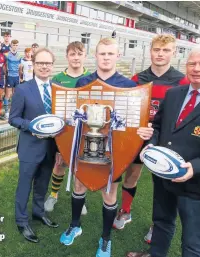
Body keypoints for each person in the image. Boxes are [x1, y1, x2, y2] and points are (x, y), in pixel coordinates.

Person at [126, 44, 200, 257]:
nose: (196, 68)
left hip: (198, 183)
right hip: (164, 176)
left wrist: (195, 168)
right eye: (192, 63)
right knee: (162, 222)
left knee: (193, 241)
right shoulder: (174, 94)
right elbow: (158, 126)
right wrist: (151, 145)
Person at [59, 38, 153, 257]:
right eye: (102, 54)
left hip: (113, 151)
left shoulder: (128, 86)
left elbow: (132, 122)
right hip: (85, 146)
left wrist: (142, 131)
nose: (106, 58)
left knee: (109, 194)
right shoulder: (83, 81)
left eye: (110, 54)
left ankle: (105, 239)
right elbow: (75, 115)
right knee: (80, 186)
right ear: (96, 56)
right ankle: (75, 226)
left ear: (117, 56)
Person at [115, 35, 189, 244]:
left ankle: (159, 223)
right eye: (157, 49)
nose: (160, 54)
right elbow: (127, 109)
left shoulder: (181, 81)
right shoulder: (138, 79)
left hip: (166, 140)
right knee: (132, 175)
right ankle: (125, 211)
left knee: (164, 184)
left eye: (165, 51)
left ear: (173, 53)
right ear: (150, 51)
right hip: (139, 138)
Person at [9, 47, 59, 244]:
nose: (44, 66)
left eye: (48, 63)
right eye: (40, 63)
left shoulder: (57, 88)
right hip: (30, 146)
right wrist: (32, 126)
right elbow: (13, 118)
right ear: (34, 65)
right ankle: (22, 221)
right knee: (24, 185)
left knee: (42, 183)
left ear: (52, 66)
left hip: (50, 147)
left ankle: (38, 212)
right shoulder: (23, 89)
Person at [44, 41, 91, 214]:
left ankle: (80, 198)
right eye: (72, 54)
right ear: (67, 57)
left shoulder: (92, 77)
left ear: (85, 56)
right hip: (63, 130)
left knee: (82, 165)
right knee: (59, 163)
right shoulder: (58, 79)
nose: (76, 57)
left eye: (79, 54)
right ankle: (54, 194)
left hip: (85, 131)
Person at [4, 39, 21, 119]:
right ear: (11, 45)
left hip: (17, 77)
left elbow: (20, 67)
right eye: (14, 45)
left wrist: (20, 77)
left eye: (16, 45)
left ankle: (14, 111)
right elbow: (4, 66)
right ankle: (6, 112)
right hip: (10, 76)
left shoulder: (19, 55)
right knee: (8, 94)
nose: (15, 46)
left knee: (15, 95)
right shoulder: (7, 54)